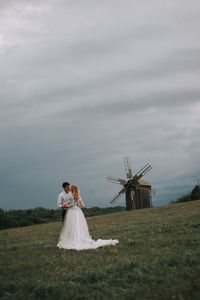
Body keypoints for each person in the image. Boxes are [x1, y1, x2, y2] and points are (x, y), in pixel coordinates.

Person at [57, 184, 119, 250]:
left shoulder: (70, 195)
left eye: (70, 188)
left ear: (71, 189)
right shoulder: (78, 196)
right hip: (78, 211)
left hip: (72, 211)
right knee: (78, 225)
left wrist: (67, 205)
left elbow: (71, 205)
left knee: (72, 225)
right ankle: (79, 237)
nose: (69, 189)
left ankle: (72, 238)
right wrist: (77, 206)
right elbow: (82, 205)